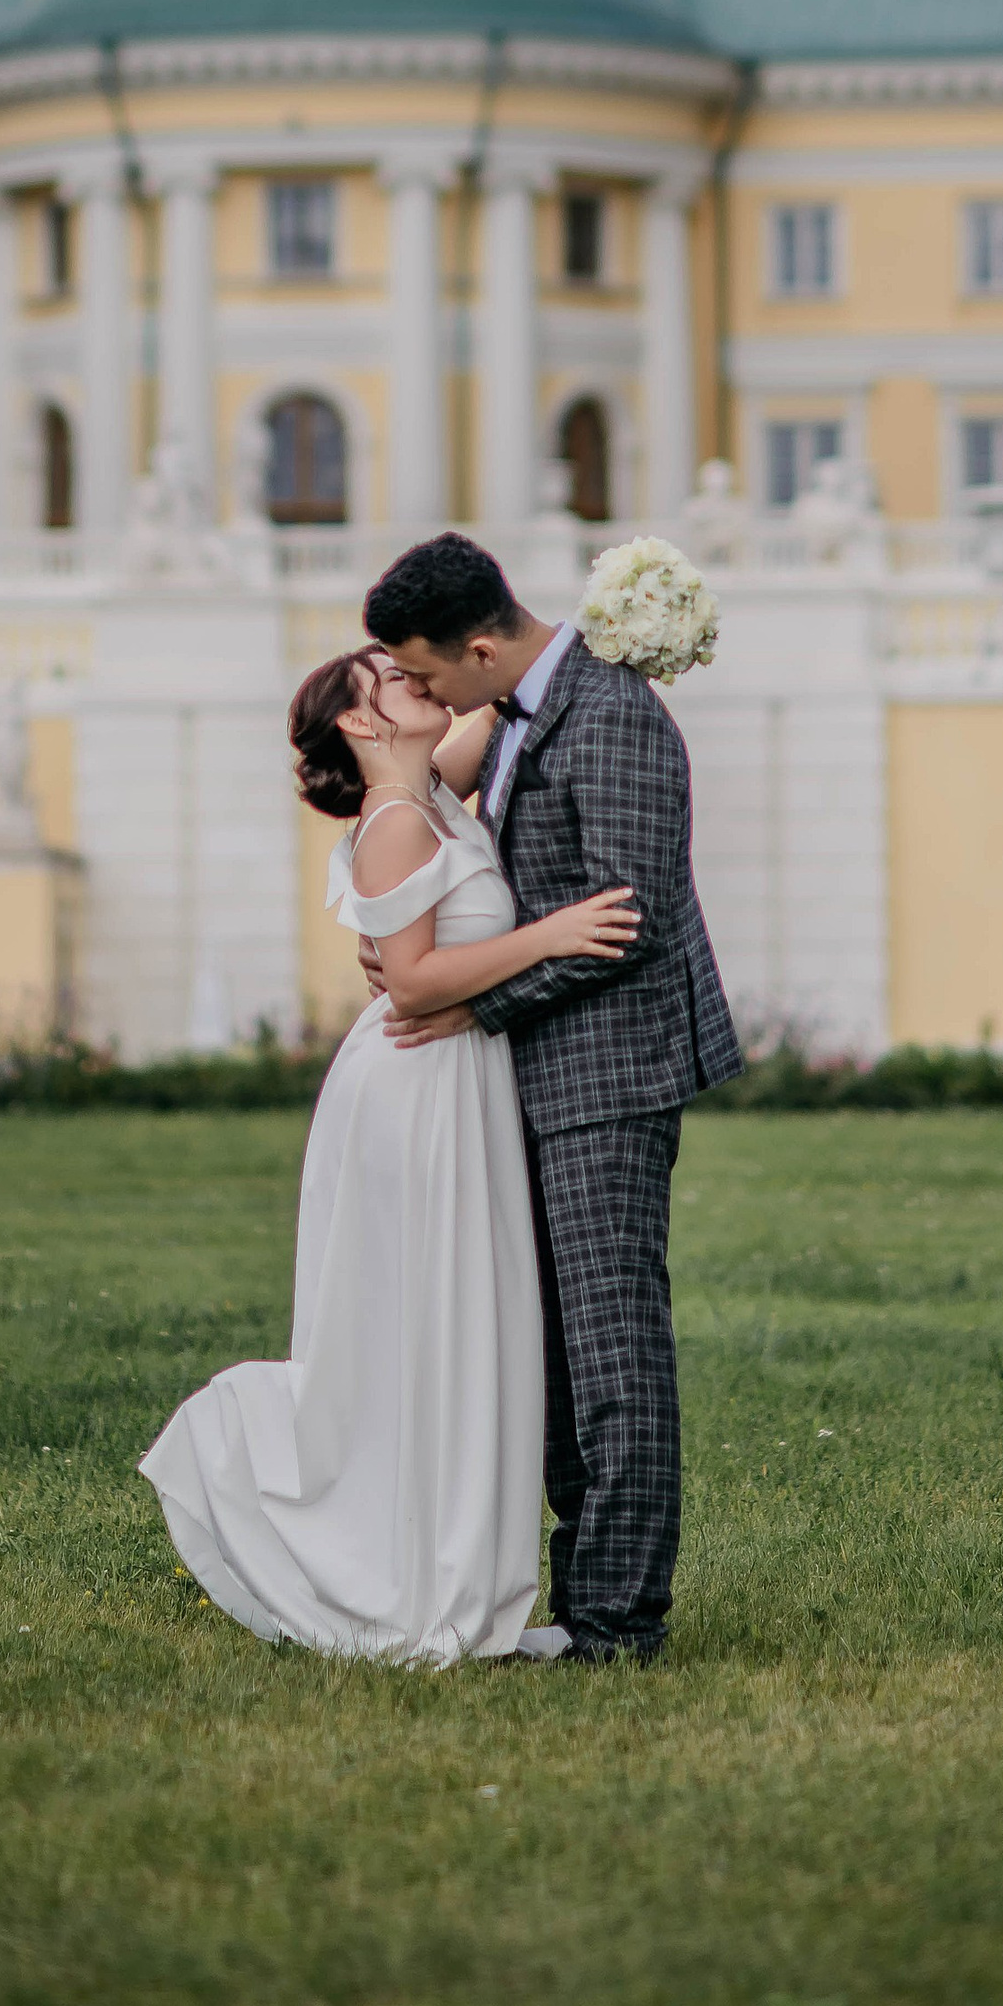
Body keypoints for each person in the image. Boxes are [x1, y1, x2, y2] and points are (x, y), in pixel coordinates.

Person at [139, 646, 641, 1665]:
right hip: (415, 1093)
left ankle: (461, 1569)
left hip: (456, 1083)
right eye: (385, 673)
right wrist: (553, 934)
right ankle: (395, 1563)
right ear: (360, 726)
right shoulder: (398, 822)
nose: (411, 671)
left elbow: (509, 694)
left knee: (468, 1319)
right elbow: (411, 982)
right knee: (427, 1317)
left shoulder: (434, 787)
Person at [364, 530, 742, 1667]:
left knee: (613, 1352)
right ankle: (583, 1598)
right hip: (539, 1075)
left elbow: (619, 920)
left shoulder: (612, 713)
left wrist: (474, 1004)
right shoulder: (525, 711)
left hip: (608, 1074)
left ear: (481, 647)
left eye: (427, 675)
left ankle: (621, 1619)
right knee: (558, 1354)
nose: (423, 693)